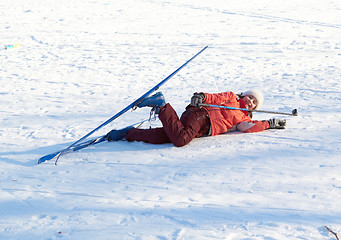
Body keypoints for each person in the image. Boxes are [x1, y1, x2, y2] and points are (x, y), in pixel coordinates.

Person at [106, 90, 286, 147]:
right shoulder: (231, 97)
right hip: (201, 115)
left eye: (254, 103)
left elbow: (248, 127)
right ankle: (162, 106)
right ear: (244, 95)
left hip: (202, 130)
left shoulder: (242, 118)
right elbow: (215, 97)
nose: (250, 102)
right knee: (181, 140)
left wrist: (269, 124)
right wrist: (202, 97)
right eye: (250, 97)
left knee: (161, 138)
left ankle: (126, 134)